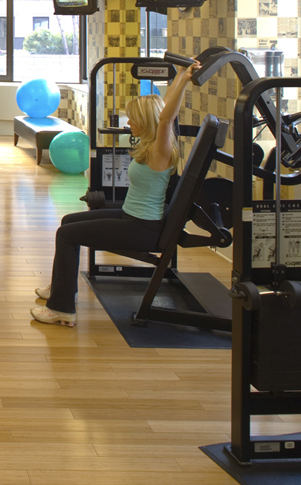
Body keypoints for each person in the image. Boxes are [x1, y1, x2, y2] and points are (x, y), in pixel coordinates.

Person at [31, 58, 202, 326]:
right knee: (67, 222)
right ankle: (64, 288)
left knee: (66, 235)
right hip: (130, 217)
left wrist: (185, 81)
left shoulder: (161, 150)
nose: (129, 121)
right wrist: (180, 74)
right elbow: (162, 110)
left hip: (141, 228)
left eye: (133, 118)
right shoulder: (151, 144)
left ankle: (61, 309)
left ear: (146, 121)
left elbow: (166, 117)